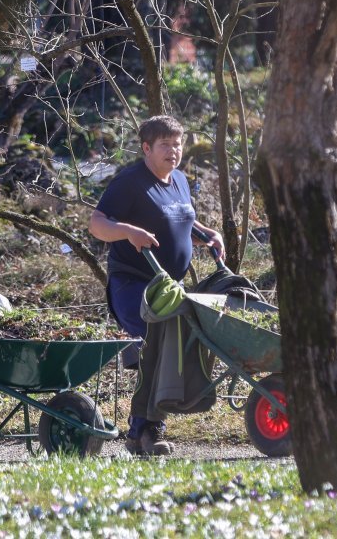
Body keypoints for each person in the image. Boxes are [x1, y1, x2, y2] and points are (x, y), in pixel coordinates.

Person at [88, 115, 225, 455]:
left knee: (174, 339)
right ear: (146, 148)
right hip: (133, 285)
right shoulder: (130, 182)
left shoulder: (178, 179)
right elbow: (97, 224)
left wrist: (206, 234)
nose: (174, 151)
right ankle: (147, 431)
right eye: (165, 144)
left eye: (178, 144)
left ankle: (143, 431)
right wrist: (128, 232)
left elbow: (180, 217)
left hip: (168, 287)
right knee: (162, 336)